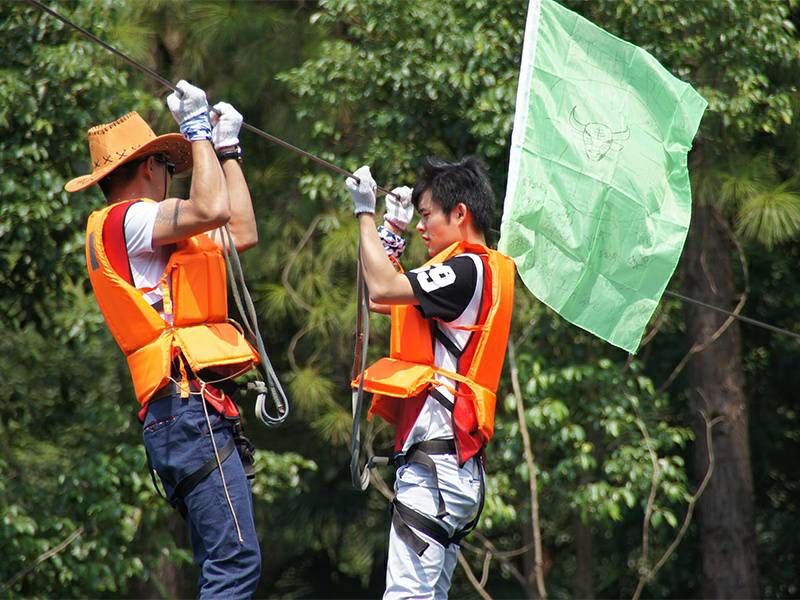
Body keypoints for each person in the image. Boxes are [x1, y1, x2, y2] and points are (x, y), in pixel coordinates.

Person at [66, 81, 261, 598]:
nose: (172, 178)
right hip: (186, 408)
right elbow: (211, 209)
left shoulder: (152, 232)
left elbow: (240, 230)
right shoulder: (128, 219)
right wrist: (197, 132)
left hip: (186, 410)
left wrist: (227, 152)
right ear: (151, 168)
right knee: (235, 562)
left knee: (227, 560)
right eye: (170, 168)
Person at [346, 157, 516, 599]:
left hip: (435, 470)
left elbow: (383, 288)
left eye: (426, 216)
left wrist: (364, 213)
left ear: (460, 213)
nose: (422, 227)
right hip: (453, 470)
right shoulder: (473, 271)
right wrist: (391, 232)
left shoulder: (466, 270)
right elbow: (380, 298)